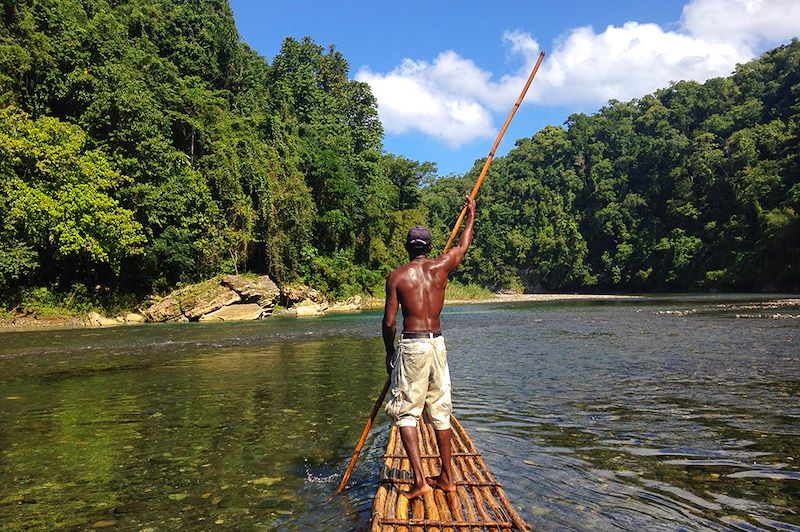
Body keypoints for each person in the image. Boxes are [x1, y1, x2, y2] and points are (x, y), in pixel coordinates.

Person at [382, 195, 476, 500]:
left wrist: (389, 352)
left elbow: (389, 324)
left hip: (413, 346)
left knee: (408, 413)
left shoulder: (397, 276)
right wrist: (471, 214)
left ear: (409, 247)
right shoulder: (441, 266)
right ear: (429, 247)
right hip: (438, 344)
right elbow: (462, 247)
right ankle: (447, 477)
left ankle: (421, 481)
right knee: (440, 410)